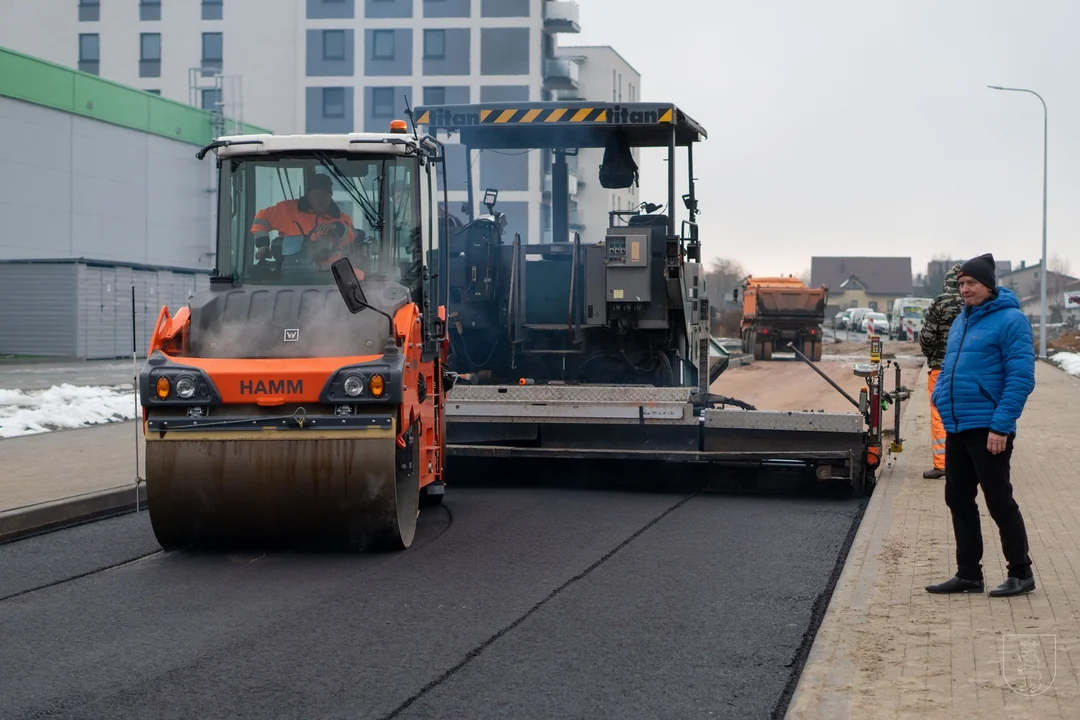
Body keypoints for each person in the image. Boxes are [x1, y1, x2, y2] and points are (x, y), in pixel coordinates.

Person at [926, 253, 1037, 598]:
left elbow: (1021, 378)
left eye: (971, 283)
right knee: (958, 498)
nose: (965, 289)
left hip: (989, 427)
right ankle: (969, 574)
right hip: (958, 425)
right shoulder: (962, 320)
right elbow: (947, 367)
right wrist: (941, 399)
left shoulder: (1011, 320)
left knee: (999, 501)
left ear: (989, 285)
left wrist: (1001, 426)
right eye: (961, 284)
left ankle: (1021, 573)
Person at [250, 173, 357, 272]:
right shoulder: (287, 210)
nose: (321, 199)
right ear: (308, 195)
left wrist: (335, 227)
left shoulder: (339, 218)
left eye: (325, 195)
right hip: (288, 275)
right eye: (317, 195)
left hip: (330, 278)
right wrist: (262, 245)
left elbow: (352, 235)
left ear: (330, 197)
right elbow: (261, 219)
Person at [918, 263, 963, 479]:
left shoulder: (940, 302)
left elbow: (927, 336)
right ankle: (969, 463)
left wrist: (932, 357)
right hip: (970, 369)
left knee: (939, 414)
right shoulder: (977, 302)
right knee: (967, 412)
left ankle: (942, 464)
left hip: (941, 369)